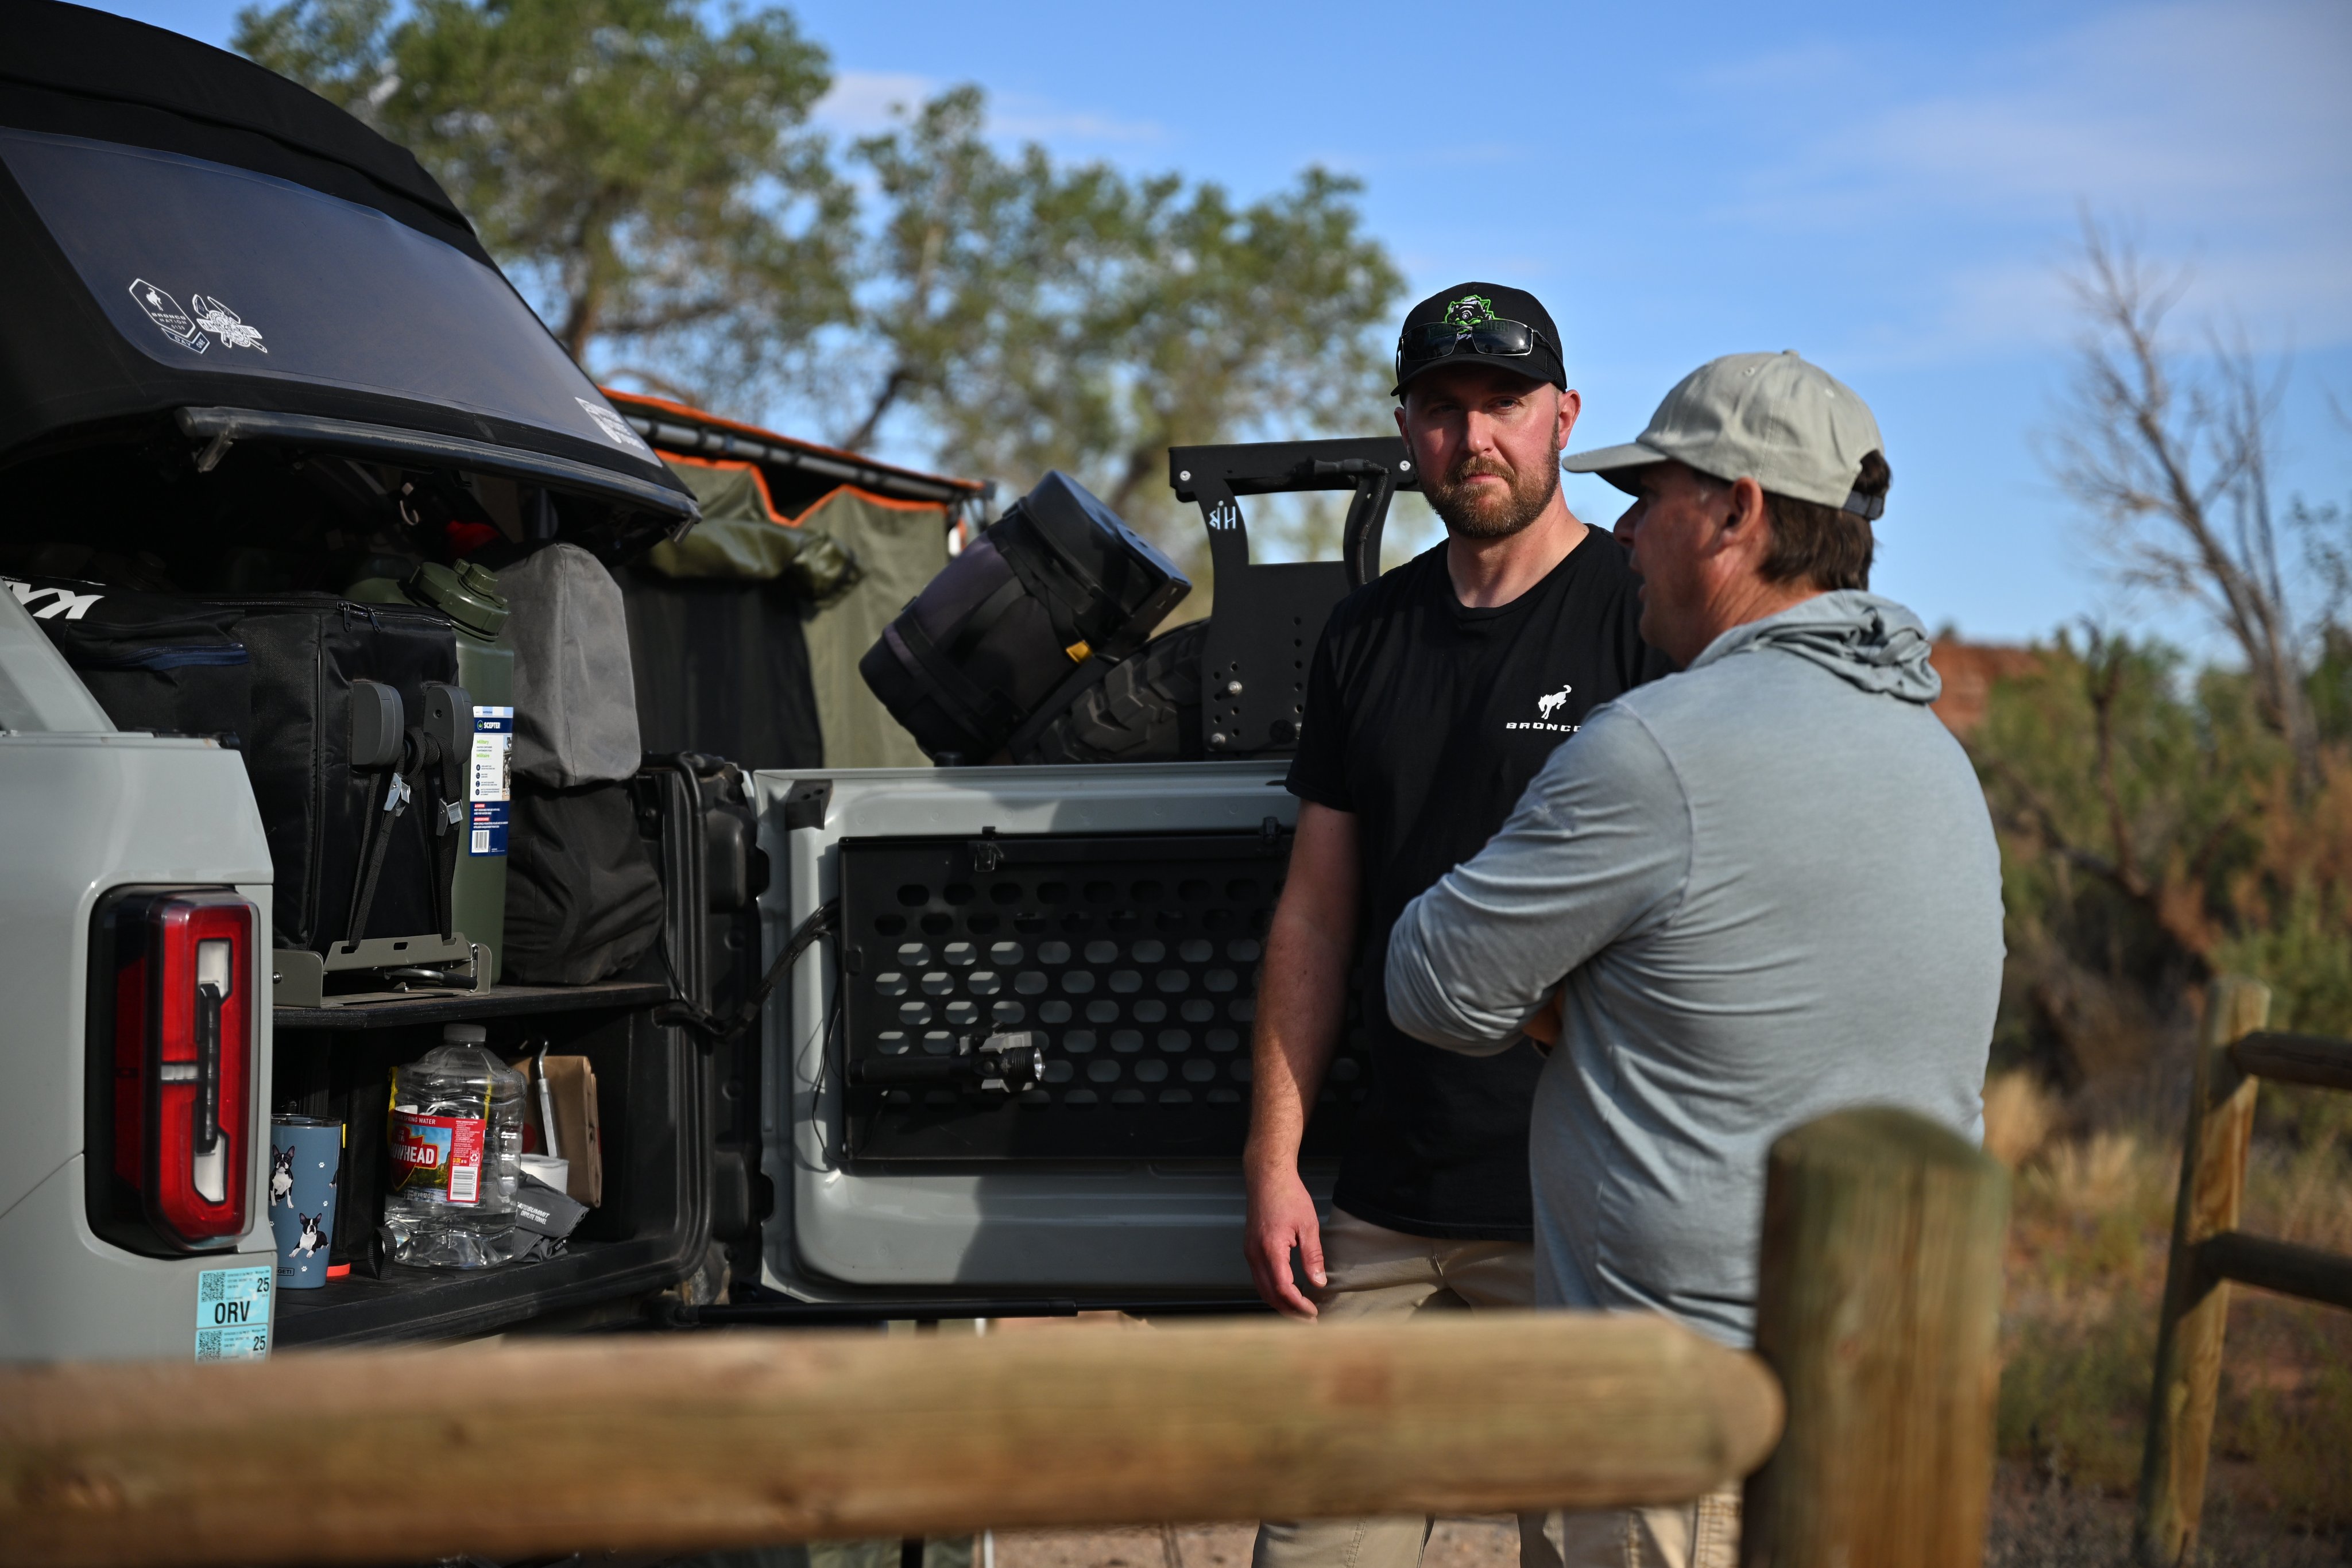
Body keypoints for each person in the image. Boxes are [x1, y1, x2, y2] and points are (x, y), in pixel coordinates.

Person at [1383, 351, 2005, 1567]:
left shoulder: (1655, 750)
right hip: (1880, 1414)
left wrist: (1575, 996)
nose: (1620, 534)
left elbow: (1428, 977)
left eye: (1648, 497)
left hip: (1676, 1434)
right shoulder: (1931, 755)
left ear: (1737, 510)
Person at [1244, 284, 1669, 1568]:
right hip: (1385, 1207)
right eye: (1441, 409)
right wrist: (1274, 1163)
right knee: (1312, 1544)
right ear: (1403, 428)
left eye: (1502, 407)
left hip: (1581, 1209)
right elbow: (1315, 914)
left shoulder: (1641, 618)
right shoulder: (1363, 634)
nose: (1472, 438)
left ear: (1563, 418)